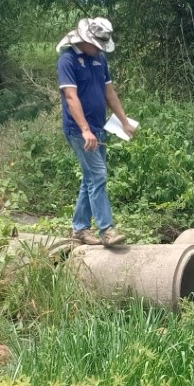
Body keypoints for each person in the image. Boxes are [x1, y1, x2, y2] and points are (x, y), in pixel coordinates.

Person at [56, 17, 135, 246]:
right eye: (96, 45)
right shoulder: (67, 60)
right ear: (85, 39)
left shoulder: (99, 59)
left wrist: (124, 121)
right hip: (80, 131)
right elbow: (71, 97)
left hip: (99, 128)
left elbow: (109, 92)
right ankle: (107, 230)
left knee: (91, 178)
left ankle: (80, 228)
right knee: (99, 175)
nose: (99, 49)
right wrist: (85, 130)